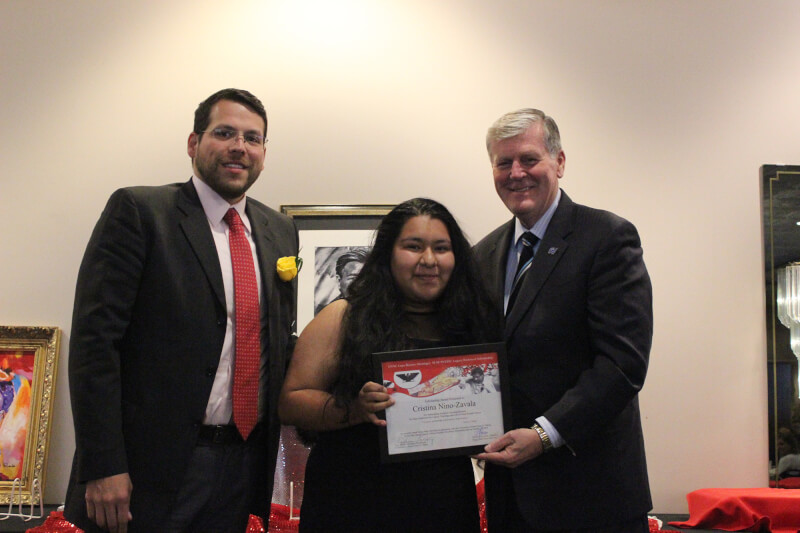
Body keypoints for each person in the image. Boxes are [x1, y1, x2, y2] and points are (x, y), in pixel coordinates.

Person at [64, 88, 299, 533]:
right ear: (194, 143)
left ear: (264, 153)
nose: (239, 147)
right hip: (147, 470)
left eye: (253, 138)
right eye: (224, 132)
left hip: (243, 463)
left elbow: (273, 342)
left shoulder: (279, 230)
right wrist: (103, 464)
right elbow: (96, 347)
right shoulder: (140, 212)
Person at [473, 109, 653, 532]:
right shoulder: (483, 255)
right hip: (510, 497)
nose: (516, 173)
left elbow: (623, 365)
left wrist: (543, 434)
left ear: (559, 162)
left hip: (592, 497)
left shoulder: (607, 238)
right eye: (503, 163)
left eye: (529, 159)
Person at [278, 198, 501, 532]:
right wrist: (354, 409)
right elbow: (290, 402)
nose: (429, 260)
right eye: (413, 246)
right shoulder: (344, 316)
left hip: (443, 503)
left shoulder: (470, 323)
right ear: (388, 254)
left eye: (441, 248)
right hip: (352, 502)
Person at [314, 248, 368, 315]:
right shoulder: (323, 314)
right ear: (339, 280)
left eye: (365, 278)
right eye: (353, 278)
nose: (360, 284)